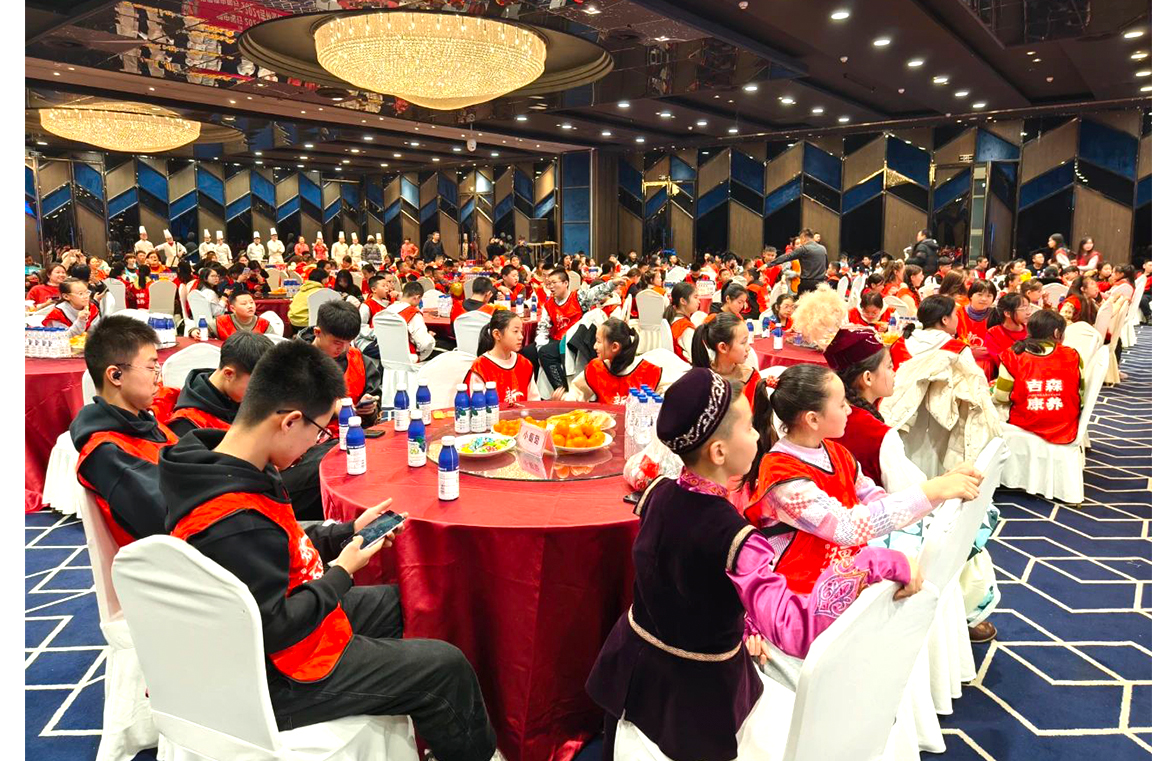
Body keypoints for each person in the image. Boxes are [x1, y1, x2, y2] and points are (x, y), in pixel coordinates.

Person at [158, 340, 498, 760]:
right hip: (275, 674)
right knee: (445, 667)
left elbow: (277, 547)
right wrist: (341, 573)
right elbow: (274, 626)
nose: (315, 444)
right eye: (319, 431)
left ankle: (440, 726)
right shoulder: (233, 518)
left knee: (419, 600)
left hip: (276, 619)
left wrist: (346, 532)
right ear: (290, 421)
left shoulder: (217, 462)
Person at [587, 367, 920, 761]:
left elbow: (685, 583)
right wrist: (871, 563)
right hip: (697, 697)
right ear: (719, 452)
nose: (759, 436)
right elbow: (795, 629)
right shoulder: (737, 540)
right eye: (748, 428)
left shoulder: (657, 493)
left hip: (633, 668)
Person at [736, 363, 982, 596]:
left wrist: (940, 487)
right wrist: (932, 491)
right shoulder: (782, 475)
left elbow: (876, 499)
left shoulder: (836, 453)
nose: (849, 410)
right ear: (812, 419)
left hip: (842, 568)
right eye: (841, 404)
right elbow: (846, 527)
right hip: (801, 590)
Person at [70, 316, 177, 545]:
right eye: (151, 367)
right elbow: (167, 520)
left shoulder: (145, 422)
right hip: (169, 558)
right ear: (115, 375)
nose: (158, 378)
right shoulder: (105, 452)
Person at [523, 269, 621, 395]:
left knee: (546, 353)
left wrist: (612, 283)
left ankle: (563, 390)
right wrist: (540, 345)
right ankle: (535, 391)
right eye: (549, 283)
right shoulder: (549, 305)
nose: (551, 287)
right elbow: (543, 328)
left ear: (565, 283)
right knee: (528, 352)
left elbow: (595, 293)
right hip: (558, 339)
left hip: (574, 340)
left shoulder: (577, 297)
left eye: (554, 283)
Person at [993, 309, 1084, 445]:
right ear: (1057, 333)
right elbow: (1080, 393)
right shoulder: (1073, 355)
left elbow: (1001, 396)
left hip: (1023, 426)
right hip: (1065, 427)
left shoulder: (1013, 355)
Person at [297, 301, 381, 425]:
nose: (343, 348)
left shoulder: (358, 360)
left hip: (353, 432)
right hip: (309, 435)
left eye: (349, 342)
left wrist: (369, 411)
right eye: (337, 342)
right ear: (317, 332)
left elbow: (374, 408)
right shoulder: (294, 361)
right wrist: (330, 410)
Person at [568, 318, 664, 404]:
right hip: (603, 418)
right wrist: (567, 399)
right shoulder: (596, 368)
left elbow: (667, 396)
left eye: (598, 341)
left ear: (615, 346)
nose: (594, 346)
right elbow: (576, 393)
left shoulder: (648, 371)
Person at [467, 310, 538, 407]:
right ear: (497, 334)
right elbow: (477, 407)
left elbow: (534, 402)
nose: (521, 337)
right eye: (515, 331)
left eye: (521, 331)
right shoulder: (481, 367)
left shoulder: (524, 364)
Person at [691, 312, 760, 411]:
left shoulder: (751, 378)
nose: (748, 348)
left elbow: (762, 416)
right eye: (743, 342)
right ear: (723, 347)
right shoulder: (703, 380)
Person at [889, 294, 974, 372]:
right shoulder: (959, 351)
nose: (957, 318)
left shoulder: (899, 345)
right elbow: (974, 381)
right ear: (945, 320)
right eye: (955, 314)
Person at [382, 281, 436, 361]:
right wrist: (430, 337)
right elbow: (424, 344)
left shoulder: (387, 310)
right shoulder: (413, 314)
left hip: (386, 355)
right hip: (408, 357)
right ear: (417, 297)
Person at [771, 228, 827, 294]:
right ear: (793, 246)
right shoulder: (823, 249)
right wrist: (795, 274)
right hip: (817, 284)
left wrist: (768, 264)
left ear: (803, 238)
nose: (800, 245)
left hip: (808, 284)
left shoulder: (804, 249)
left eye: (800, 242)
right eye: (797, 244)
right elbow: (785, 271)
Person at [984, 293, 1030, 362]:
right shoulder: (993, 334)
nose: (1028, 312)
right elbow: (999, 361)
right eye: (1023, 309)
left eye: (1028, 308)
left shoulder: (1031, 331)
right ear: (1008, 313)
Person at [956, 280, 997, 348]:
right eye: (979, 294)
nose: (984, 299)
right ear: (971, 296)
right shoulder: (958, 314)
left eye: (989, 296)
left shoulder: (995, 315)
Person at [665, 282, 699, 362]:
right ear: (683, 301)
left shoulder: (672, 318)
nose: (699, 301)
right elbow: (696, 357)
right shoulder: (684, 327)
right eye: (695, 297)